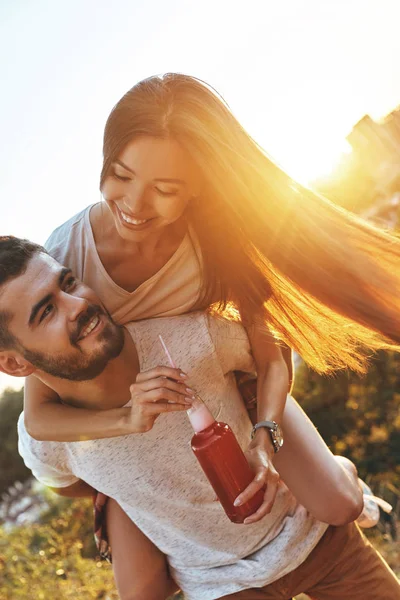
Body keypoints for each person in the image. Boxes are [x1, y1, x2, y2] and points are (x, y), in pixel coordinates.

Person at [1, 237, 399, 599]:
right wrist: (127, 496)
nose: (78, 305)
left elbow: (270, 356)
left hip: (314, 535)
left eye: (68, 283)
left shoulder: (190, 336)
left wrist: (266, 433)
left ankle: (342, 475)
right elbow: (64, 483)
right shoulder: (46, 439)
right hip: (218, 583)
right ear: (14, 363)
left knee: (341, 503)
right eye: (47, 312)